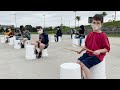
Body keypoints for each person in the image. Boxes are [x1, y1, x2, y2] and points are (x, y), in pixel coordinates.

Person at [76, 14, 110, 79]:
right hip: (88, 54)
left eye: (98, 23)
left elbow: (107, 48)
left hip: (98, 56)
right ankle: (81, 77)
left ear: (101, 24)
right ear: (91, 23)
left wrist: (99, 51)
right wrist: (80, 51)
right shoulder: (90, 34)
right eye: (94, 23)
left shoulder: (103, 36)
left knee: (84, 65)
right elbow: (86, 47)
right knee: (78, 63)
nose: (95, 25)